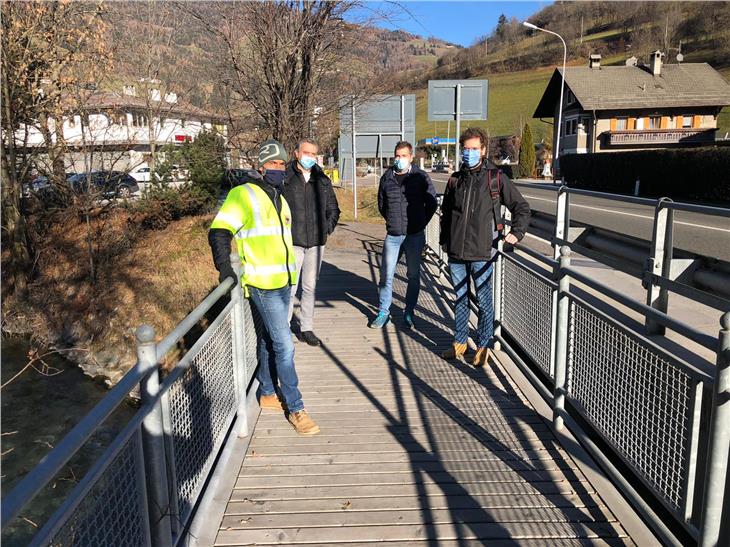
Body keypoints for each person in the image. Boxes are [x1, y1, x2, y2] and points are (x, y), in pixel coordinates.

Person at [208, 139, 319, 436]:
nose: (278, 168)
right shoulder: (242, 194)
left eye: (282, 164)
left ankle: (267, 393)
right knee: (284, 345)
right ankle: (296, 408)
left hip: (283, 282)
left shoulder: (279, 199)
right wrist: (225, 269)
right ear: (260, 166)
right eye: (273, 164)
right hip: (260, 284)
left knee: (267, 339)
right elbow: (219, 230)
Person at [440, 127, 530, 367]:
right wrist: (444, 242)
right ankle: (459, 342)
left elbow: (521, 206)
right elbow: (446, 214)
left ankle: (483, 346)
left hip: (483, 251)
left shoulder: (496, 178)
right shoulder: (455, 179)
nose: (468, 153)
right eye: (465, 149)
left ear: (483, 150)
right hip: (457, 252)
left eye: (473, 149)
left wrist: (517, 233)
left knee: (483, 300)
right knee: (459, 298)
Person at [370, 141, 438, 329]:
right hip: (393, 235)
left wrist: (420, 222)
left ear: (411, 157)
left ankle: (409, 311)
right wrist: (391, 220)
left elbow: (432, 203)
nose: (399, 159)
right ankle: (384, 312)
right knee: (386, 275)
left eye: (404, 156)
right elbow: (382, 204)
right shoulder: (386, 178)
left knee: (413, 275)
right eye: (397, 156)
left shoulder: (420, 177)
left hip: (414, 235)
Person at [282, 139, 340, 346]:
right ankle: (285, 328)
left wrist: (326, 228)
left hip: (316, 244)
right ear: (297, 153)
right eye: (306, 153)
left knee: (310, 288)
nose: (309, 157)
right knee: (290, 288)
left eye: (313, 154)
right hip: (292, 243)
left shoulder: (322, 180)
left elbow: (333, 209)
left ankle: (306, 328)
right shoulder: (285, 179)